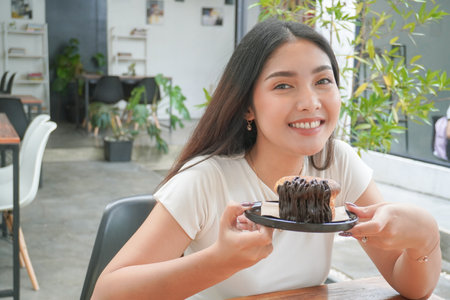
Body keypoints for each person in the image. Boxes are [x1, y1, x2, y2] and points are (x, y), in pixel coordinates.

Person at [92, 19, 441, 299]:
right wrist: (217, 262)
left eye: (323, 80)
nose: (310, 101)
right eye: (283, 86)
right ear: (247, 105)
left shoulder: (337, 162)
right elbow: (107, 294)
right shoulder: (205, 179)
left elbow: (413, 287)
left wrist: (424, 239)